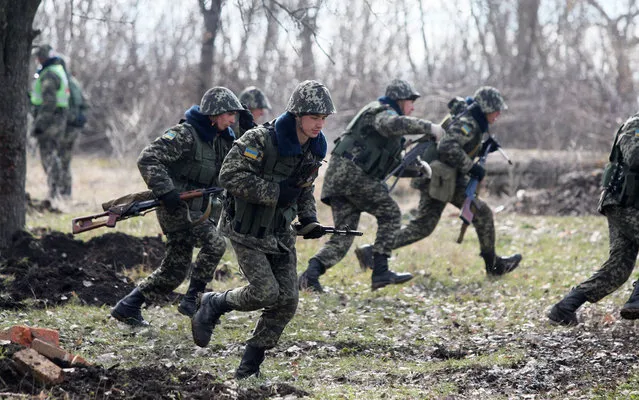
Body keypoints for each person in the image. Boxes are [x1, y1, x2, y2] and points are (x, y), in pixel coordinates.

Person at [190, 80, 334, 379]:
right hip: (246, 229)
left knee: (288, 302)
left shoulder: (315, 146)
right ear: (297, 115)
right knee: (266, 292)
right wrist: (274, 192)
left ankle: (248, 368)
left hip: (280, 232)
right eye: (313, 118)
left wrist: (309, 220)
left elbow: (304, 188)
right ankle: (214, 302)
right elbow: (229, 175)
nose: (319, 124)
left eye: (323, 118)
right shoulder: (260, 139)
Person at [110, 87, 247, 326]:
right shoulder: (185, 134)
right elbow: (148, 158)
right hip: (176, 208)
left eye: (234, 115)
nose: (232, 119)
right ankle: (193, 299)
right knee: (216, 243)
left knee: (174, 272)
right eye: (228, 114)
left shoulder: (224, 138)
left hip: (199, 209)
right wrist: (166, 191)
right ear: (214, 114)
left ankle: (128, 306)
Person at [354, 87, 522, 277]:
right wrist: (471, 166)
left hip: (445, 179)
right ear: (486, 107)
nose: (498, 114)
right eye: (496, 109)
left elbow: (458, 146)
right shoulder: (468, 122)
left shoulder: (474, 122)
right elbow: (447, 146)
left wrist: (484, 148)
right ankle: (494, 266)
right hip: (439, 179)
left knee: (469, 216)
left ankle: (494, 265)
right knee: (432, 225)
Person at [297, 79, 445, 293]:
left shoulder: (387, 130)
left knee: (344, 236)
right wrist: (428, 127)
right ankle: (381, 270)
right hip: (352, 177)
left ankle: (310, 276)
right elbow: (392, 124)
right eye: (410, 102)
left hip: (342, 180)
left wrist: (418, 169)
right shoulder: (380, 111)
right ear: (399, 100)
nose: (412, 107)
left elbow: (389, 164)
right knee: (391, 213)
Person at [548, 112, 639, 325]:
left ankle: (564, 308)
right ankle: (637, 299)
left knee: (618, 268)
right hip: (623, 203)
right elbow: (635, 156)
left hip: (629, 205)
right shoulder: (635, 125)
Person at [30, 44, 75, 200]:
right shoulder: (58, 70)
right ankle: (60, 192)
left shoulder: (49, 74)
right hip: (58, 119)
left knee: (49, 156)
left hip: (50, 121)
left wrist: (39, 125)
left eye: (38, 56)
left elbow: (49, 103)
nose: (37, 60)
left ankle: (55, 193)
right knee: (55, 156)